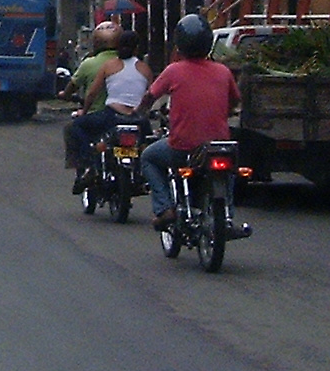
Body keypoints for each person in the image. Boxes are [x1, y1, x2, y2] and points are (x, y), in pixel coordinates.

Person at [137, 13, 241, 230]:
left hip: (183, 147)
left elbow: (150, 96)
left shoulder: (173, 70)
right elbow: (235, 100)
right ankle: (228, 215)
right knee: (229, 171)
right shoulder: (223, 71)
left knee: (148, 157)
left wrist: (139, 112)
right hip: (218, 146)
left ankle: (164, 208)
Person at [66, 29, 151, 185]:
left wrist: (83, 111)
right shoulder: (145, 69)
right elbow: (149, 96)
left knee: (75, 126)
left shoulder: (109, 66)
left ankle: (90, 162)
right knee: (148, 144)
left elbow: (91, 93)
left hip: (112, 117)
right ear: (137, 48)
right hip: (138, 120)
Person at [63, 20, 120, 185]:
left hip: (99, 115)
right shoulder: (132, 63)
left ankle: (86, 163)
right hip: (128, 115)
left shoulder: (89, 64)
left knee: (72, 128)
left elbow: (76, 88)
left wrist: (64, 95)